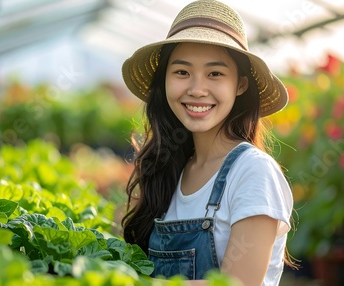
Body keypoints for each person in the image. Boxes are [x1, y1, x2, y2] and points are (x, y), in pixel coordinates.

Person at [121, 1, 295, 285]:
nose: (197, 89)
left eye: (215, 73)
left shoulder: (252, 172)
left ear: (240, 85)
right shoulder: (172, 169)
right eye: (182, 72)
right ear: (163, 81)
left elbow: (236, 283)